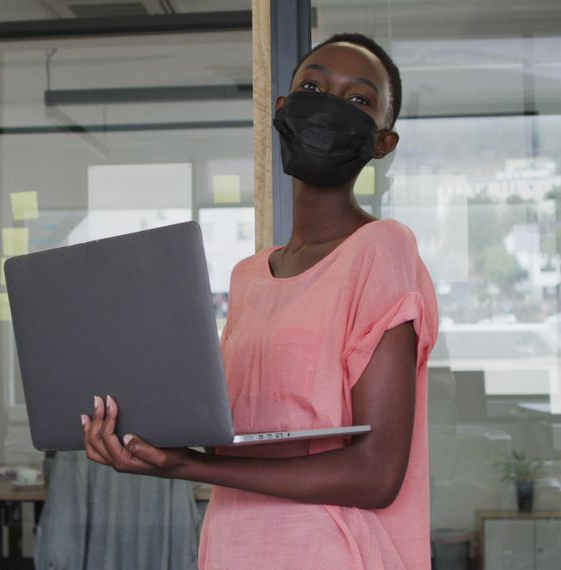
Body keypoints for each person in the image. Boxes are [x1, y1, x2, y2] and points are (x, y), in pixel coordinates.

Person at [81, 33, 439, 569]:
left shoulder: (381, 251)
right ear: (282, 111)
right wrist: (135, 433)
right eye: (313, 86)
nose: (329, 104)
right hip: (232, 545)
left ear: (382, 143)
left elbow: (377, 474)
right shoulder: (248, 276)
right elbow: (234, 435)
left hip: (330, 553)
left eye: (358, 99)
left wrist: (186, 467)